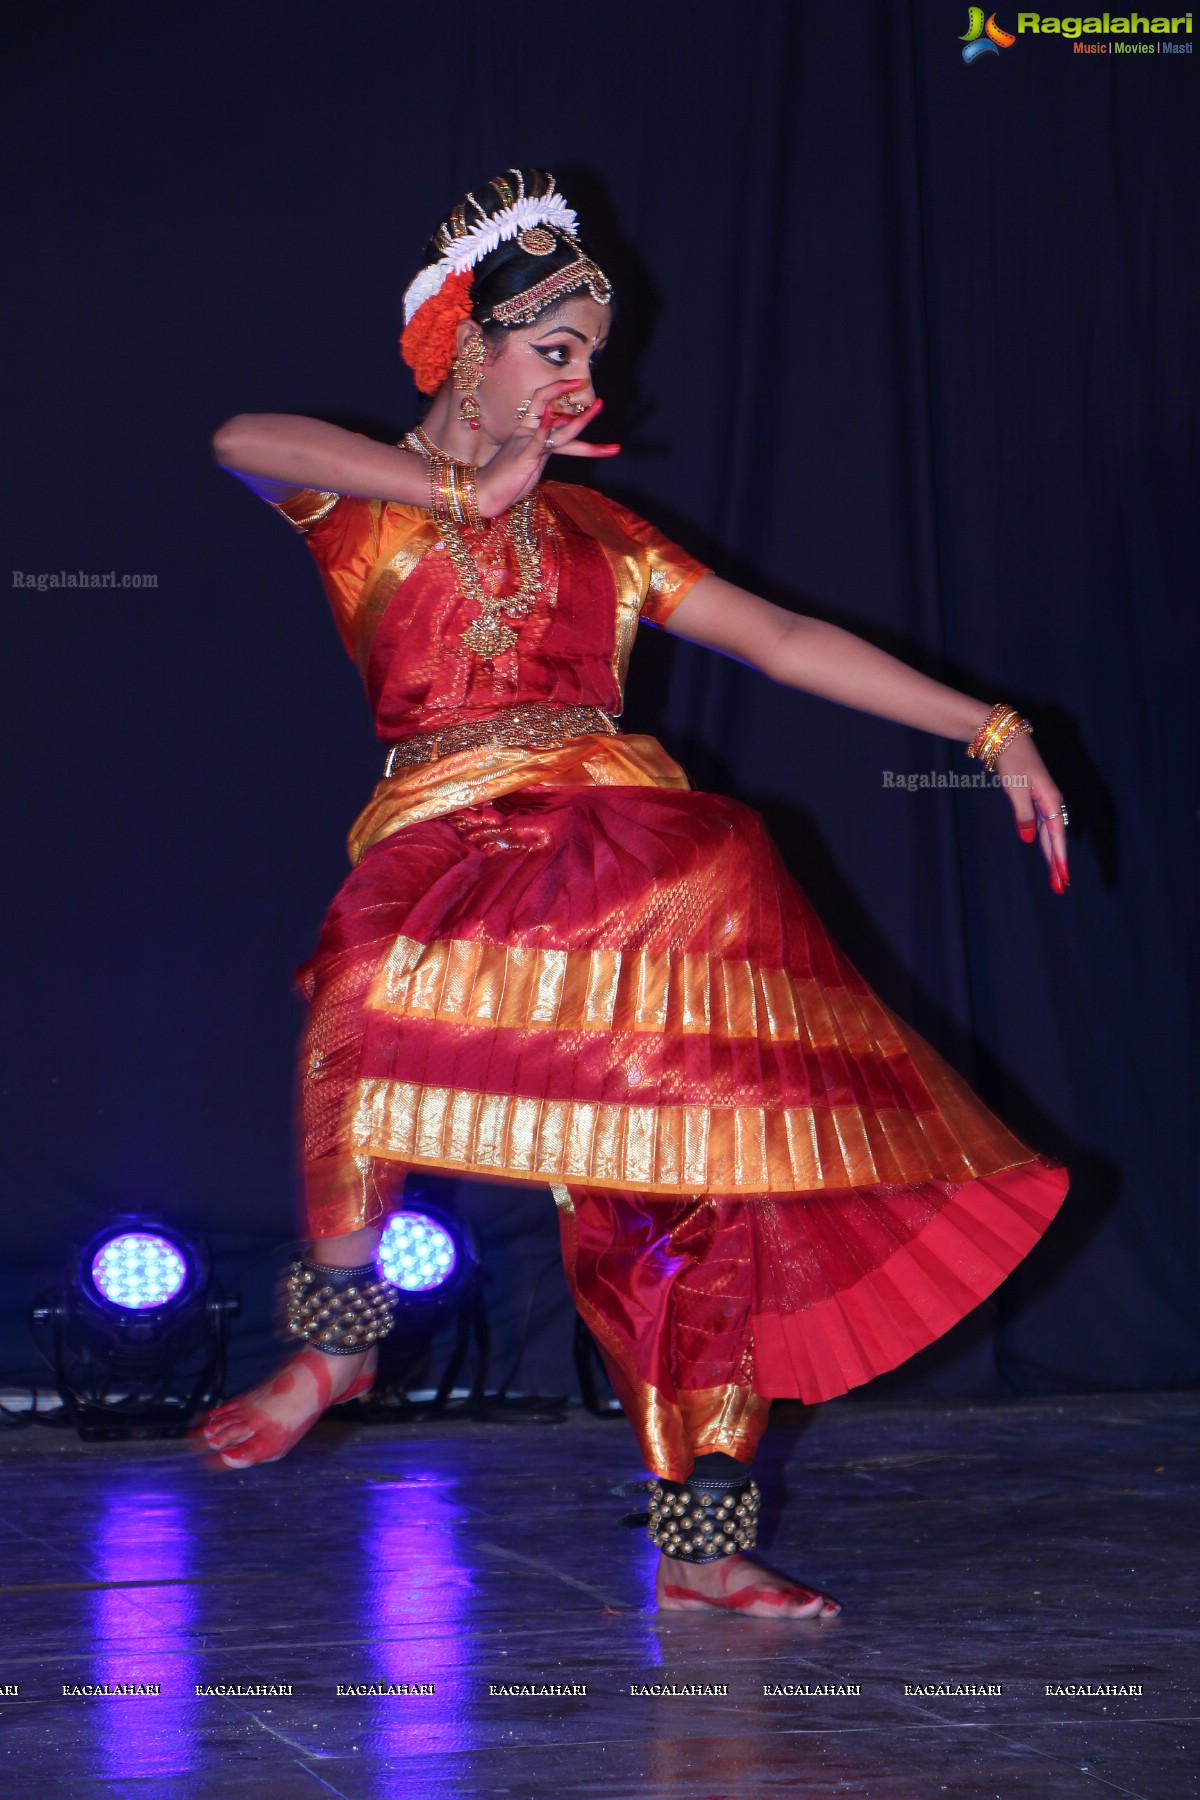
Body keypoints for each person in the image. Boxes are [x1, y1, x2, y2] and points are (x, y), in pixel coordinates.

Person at [202, 169, 1070, 1621]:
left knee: (675, 1214)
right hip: (450, 836)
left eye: (590, 357)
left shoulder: (609, 541)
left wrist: (990, 728)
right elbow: (238, 436)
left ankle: (705, 1543)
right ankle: (343, 1336)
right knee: (362, 975)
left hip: (620, 855)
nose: (581, 382)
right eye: (556, 351)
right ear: (468, 348)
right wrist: (454, 487)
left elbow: (785, 640)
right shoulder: (363, 507)